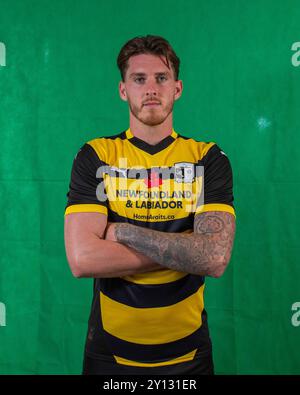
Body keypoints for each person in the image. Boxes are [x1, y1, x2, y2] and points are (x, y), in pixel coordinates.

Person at [64, 35, 236, 375]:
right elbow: (83, 259)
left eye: (161, 78)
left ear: (178, 88)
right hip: (109, 354)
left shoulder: (207, 158)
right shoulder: (97, 155)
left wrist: (121, 232)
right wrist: (186, 249)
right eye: (139, 79)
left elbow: (214, 258)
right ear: (123, 90)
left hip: (188, 355)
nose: (151, 88)